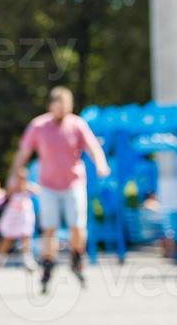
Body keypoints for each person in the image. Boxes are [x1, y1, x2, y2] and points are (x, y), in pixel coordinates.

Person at [10, 86, 109, 294]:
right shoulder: (39, 125)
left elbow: (92, 147)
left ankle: (76, 258)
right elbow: (23, 153)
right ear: (51, 105)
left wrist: (100, 164)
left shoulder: (77, 124)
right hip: (48, 185)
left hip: (73, 183)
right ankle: (48, 264)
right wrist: (13, 174)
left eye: (66, 107)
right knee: (50, 227)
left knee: (77, 226)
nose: (62, 111)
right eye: (58, 106)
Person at [0, 173, 38, 270]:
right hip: (13, 218)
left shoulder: (29, 187)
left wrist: (26, 187)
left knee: (25, 239)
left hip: (23, 218)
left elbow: (37, 191)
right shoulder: (12, 188)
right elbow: (5, 196)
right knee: (7, 239)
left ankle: (28, 261)